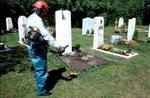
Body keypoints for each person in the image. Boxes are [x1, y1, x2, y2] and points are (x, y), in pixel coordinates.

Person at [26, 0, 66, 96]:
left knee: (38, 69)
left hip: (32, 46)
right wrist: (58, 46)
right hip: (38, 48)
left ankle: (39, 87)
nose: (44, 13)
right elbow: (46, 35)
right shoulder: (37, 20)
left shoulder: (31, 17)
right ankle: (41, 91)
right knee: (41, 69)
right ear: (42, 10)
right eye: (44, 11)